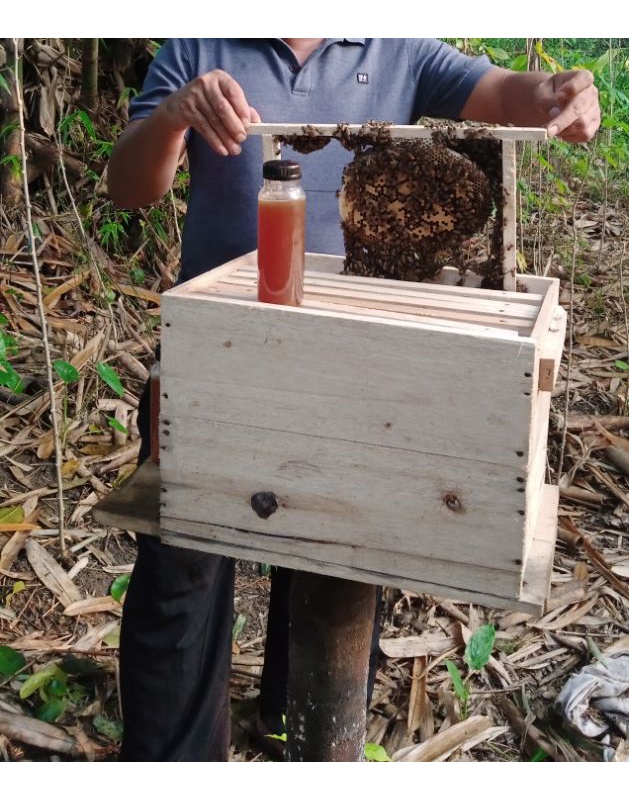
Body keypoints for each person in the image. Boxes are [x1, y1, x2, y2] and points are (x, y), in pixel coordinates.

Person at [107, 38, 600, 762]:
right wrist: (176, 116)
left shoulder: (398, 46)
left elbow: (507, 95)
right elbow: (129, 188)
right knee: (182, 561)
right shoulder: (198, 39)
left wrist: (558, 93)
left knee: (338, 544)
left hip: (358, 363)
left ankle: (293, 727)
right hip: (219, 355)